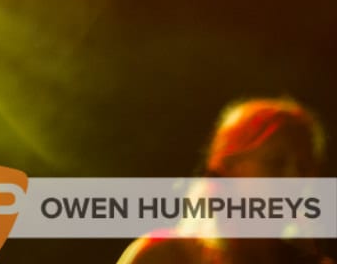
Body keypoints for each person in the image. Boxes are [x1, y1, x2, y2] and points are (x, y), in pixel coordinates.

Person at [117, 97, 332, 264]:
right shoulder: (166, 256)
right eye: (275, 163)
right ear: (228, 169)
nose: (294, 180)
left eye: (303, 169)